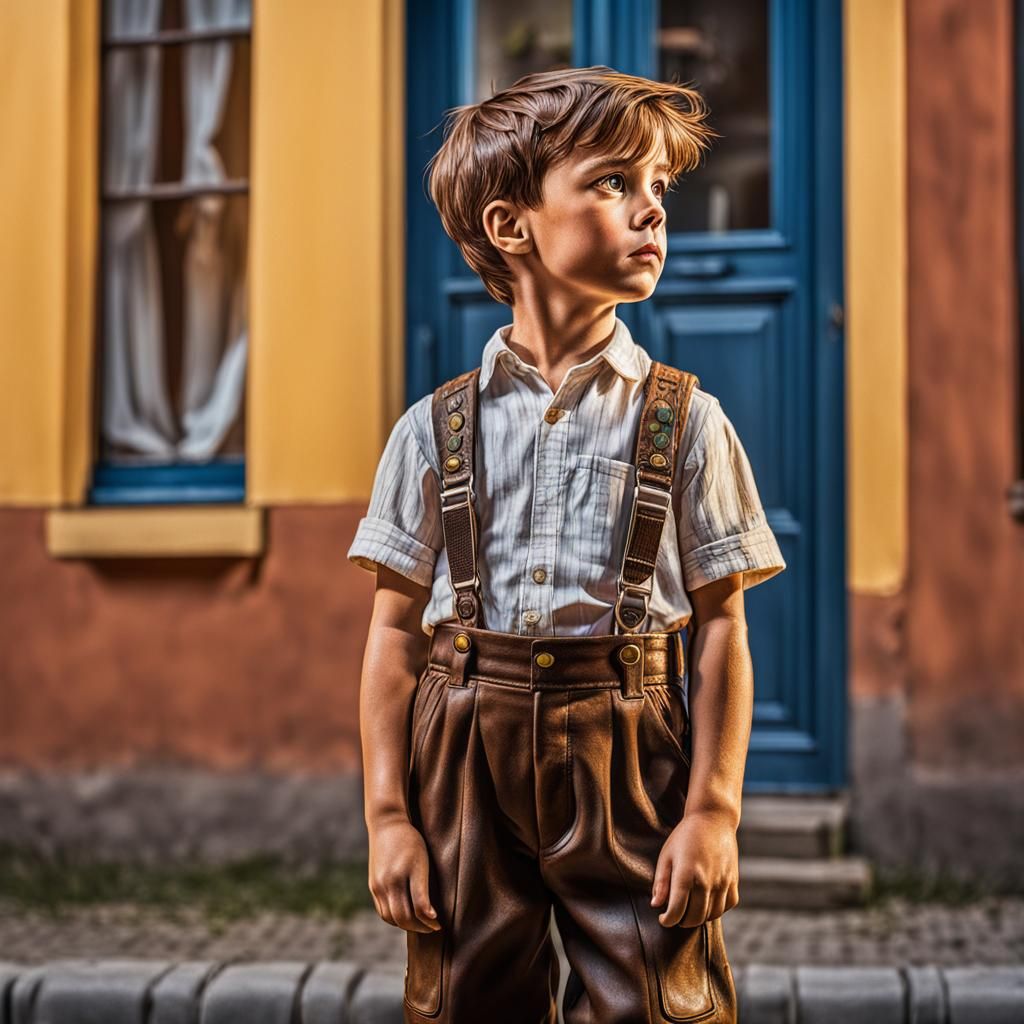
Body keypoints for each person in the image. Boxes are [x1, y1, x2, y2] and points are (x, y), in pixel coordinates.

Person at [347, 65, 787, 1024]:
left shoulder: (688, 422)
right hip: (463, 749)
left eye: (659, 187)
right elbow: (392, 636)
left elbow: (721, 629)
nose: (652, 210)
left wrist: (713, 812)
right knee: (464, 999)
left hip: (630, 751)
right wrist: (388, 816)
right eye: (614, 183)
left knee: (663, 1002)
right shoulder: (432, 431)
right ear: (512, 226)